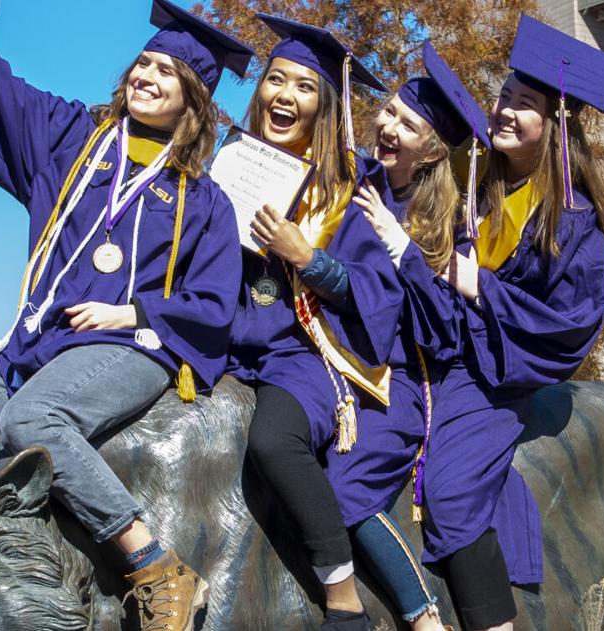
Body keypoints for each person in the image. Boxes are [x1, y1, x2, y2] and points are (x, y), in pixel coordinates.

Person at [0, 2, 250, 629]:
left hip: (133, 350)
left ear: (192, 102)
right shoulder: (71, 140)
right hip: (31, 348)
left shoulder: (204, 201)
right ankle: (13, 502)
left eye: (166, 73)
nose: (146, 76)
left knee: (33, 414)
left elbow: (215, 303)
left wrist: (133, 312)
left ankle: (151, 563)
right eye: (143, 63)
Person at [389, 16, 604, 630]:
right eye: (504, 98)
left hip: (491, 371)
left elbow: (570, 324)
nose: (505, 112)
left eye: (525, 105)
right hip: (425, 345)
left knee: (449, 492)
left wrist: (479, 286)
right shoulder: (477, 177)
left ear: (555, 126)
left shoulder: (573, 223)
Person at [227, 13, 403, 631]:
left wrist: (308, 257)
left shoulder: (353, 185)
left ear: (324, 106)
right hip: (224, 342)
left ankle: (343, 596)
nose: (285, 96)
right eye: (276, 80)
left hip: (307, 353)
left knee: (273, 441)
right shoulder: (228, 165)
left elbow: (379, 294)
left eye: (304, 87)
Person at [331, 40, 495, 631]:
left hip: (395, 381)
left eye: (406, 122)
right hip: (324, 361)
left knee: (344, 492)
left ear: (430, 152)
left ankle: (422, 616)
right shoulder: (353, 180)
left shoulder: (449, 226)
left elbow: (448, 331)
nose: (386, 124)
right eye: (388, 112)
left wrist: (403, 251)